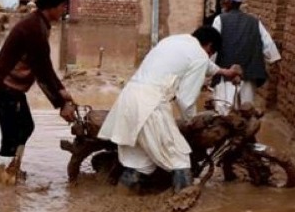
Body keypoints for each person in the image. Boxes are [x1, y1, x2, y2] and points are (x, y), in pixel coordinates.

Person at [97, 27, 241, 193]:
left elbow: (202, 63)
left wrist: (224, 72)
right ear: (209, 46)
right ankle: (182, 209)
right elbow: (185, 100)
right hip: (151, 105)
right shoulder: (200, 56)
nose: (208, 57)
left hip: (128, 99)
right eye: (211, 52)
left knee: (140, 163)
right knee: (180, 159)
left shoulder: (174, 41)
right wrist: (193, 123)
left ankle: (118, 202)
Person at [0, 0, 77, 183]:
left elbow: (45, 67)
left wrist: (62, 92)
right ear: (52, 6)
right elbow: (42, 71)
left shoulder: (40, 24)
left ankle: (12, 170)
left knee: (25, 126)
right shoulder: (35, 29)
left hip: (12, 87)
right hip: (3, 86)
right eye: (63, 6)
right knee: (11, 134)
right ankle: (4, 179)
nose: (64, 10)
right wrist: (61, 104)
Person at [211, 0, 281, 114]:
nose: (220, 1)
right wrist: (273, 59)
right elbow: (268, 44)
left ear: (230, 2)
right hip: (249, 74)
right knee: (245, 111)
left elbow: (213, 47)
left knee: (224, 112)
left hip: (226, 73)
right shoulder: (254, 21)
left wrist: (210, 69)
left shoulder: (219, 20)